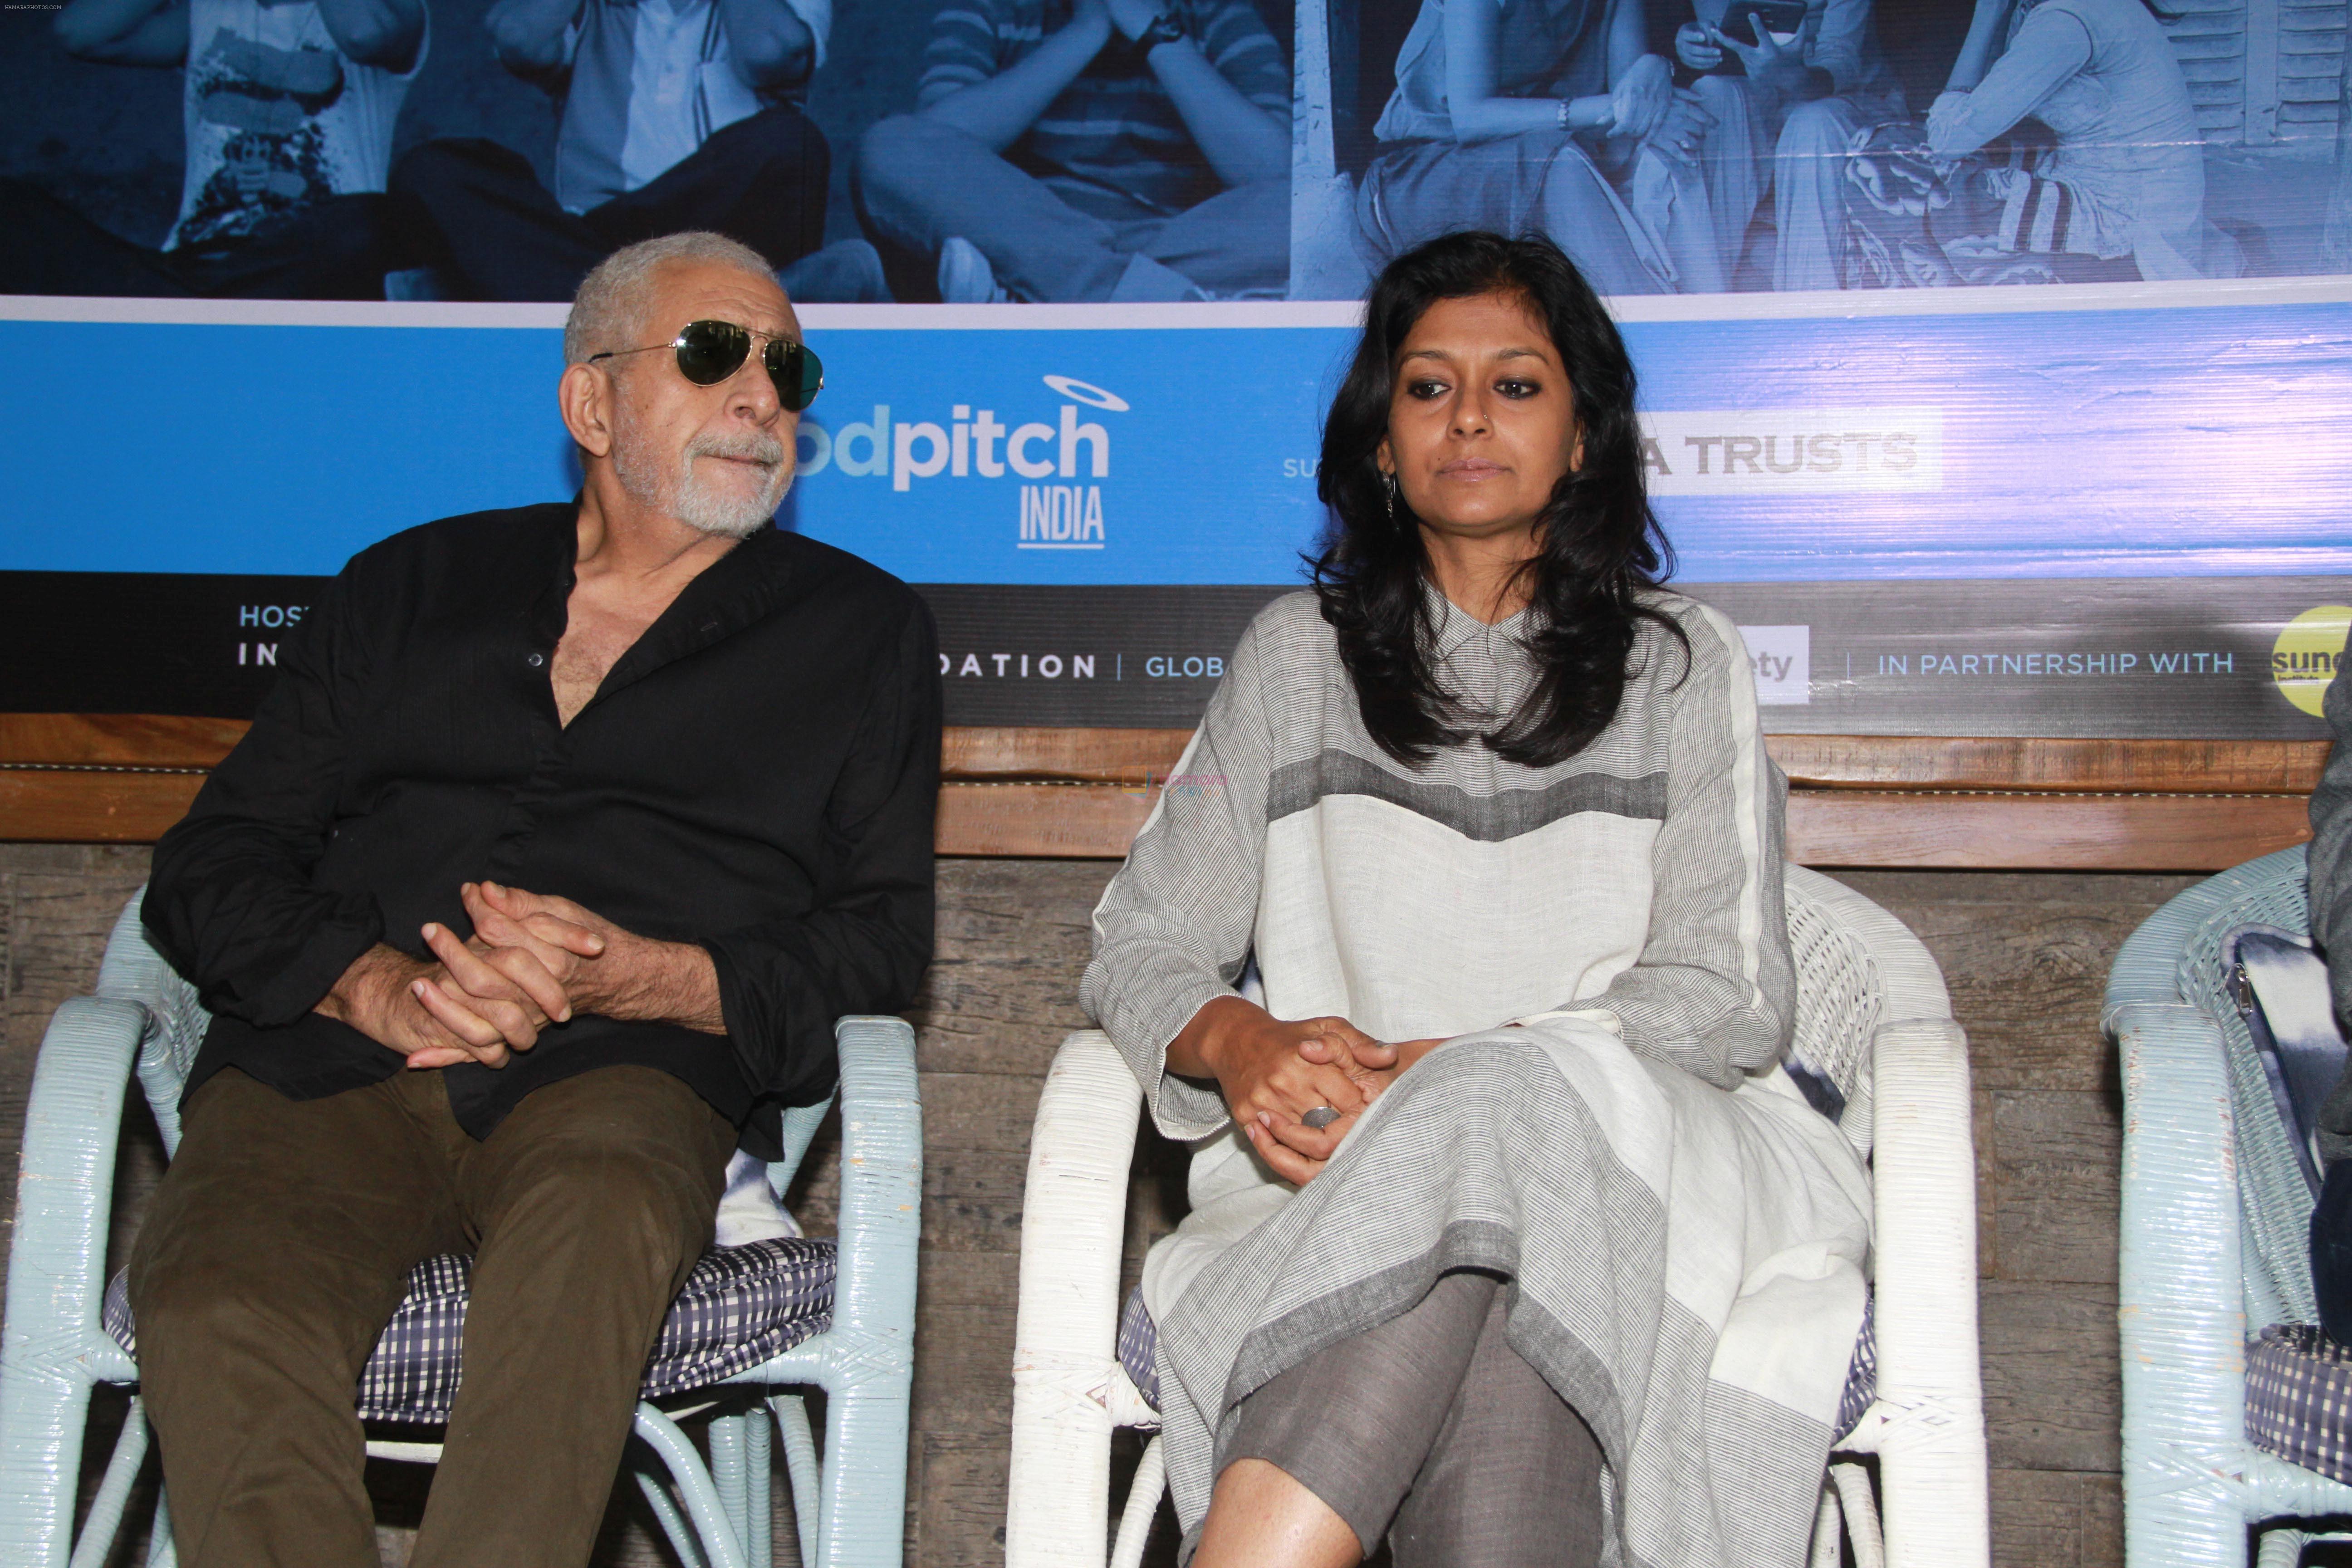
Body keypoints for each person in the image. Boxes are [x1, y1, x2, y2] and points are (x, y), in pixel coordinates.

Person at [128, 230, 940, 1568]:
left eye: (788, 369)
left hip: (622, 1080)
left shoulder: (862, 636)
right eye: (713, 355)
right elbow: (210, 864)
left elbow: (879, 946)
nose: (762, 397)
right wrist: (381, 983)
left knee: (585, 1261)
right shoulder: (410, 584)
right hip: (330, 1063)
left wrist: (631, 973)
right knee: (214, 1296)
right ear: (591, 401)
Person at [1082, 230, 1869, 1567]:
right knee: (1494, 1295)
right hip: (1343, 1184)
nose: (1467, 418)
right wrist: (1244, 1045)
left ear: (1582, 441)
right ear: (1381, 444)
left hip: (1653, 1165)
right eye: (1428, 386)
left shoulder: (1682, 667)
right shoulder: (1294, 664)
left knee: (1498, 1114)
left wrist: (1466, 1079)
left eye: (1515, 386)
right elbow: (1138, 939)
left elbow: (1722, 992)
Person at [387, 0, 861, 302]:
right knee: (434, 171)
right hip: (598, 235)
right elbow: (517, 36)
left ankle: (591, 303)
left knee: (790, 144)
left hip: (716, 244)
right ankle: (646, 310)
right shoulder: (594, 11)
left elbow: (771, 51)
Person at [854, 0, 1291, 304]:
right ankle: (1127, 295)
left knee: (1312, 208)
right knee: (889, 146)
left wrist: (1155, 33)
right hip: (1027, 242)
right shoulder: (992, 8)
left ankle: (1054, 298)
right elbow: (934, 144)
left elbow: (1274, 170)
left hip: (1175, 241)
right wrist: (1087, 31)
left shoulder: (1217, 14)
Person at [0, 0, 424, 299]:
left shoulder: (385, 9)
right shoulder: (211, 10)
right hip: (193, 273)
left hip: (311, 265)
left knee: (370, 221)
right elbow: (81, 33)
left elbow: (365, 34)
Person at [1353, 0, 1754, 295]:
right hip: (1423, 167)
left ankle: (1693, 318)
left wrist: (1655, 71)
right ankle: (1650, 324)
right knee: (1559, 164)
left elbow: (1624, 123)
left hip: (1545, 155)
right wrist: (1610, 108)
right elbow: (1471, 117)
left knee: (1679, 137)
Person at [1920, 0, 2234, 281]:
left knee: (1927, 191)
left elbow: (1949, 140)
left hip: (2131, 223)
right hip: (2153, 200)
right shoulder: (2066, 10)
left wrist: (1985, 14)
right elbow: (1988, 100)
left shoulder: (2066, 21)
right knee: (1951, 164)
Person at [1663, 0, 1906, 289]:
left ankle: (1812, 313)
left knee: (1809, 122)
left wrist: (1790, 77)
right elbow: (1726, 42)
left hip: (1845, 99)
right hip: (1760, 98)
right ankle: (1703, 304)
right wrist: (1697, 45)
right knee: (1713, 96)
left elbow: (1840, 62)